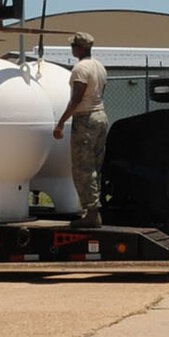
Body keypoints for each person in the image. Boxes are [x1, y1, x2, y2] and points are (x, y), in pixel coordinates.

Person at [52, 32, 108, 227]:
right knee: (95, 166)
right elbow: (101, 93)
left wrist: (60, 123)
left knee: (82, 167)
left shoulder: (80, 69)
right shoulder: (99, 67)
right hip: (100, 117)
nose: (72, 48)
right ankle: (93, 210)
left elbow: (76, 99)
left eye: (74, 45)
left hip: (85, 119)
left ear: (81, 48)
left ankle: (92, 213)